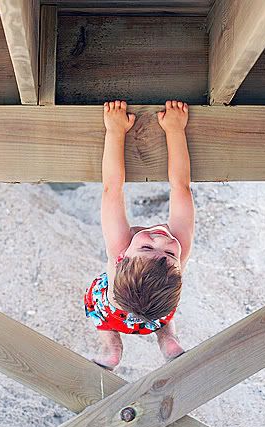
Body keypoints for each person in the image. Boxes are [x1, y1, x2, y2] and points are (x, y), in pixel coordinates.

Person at [84, 99, 195, 370]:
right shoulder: (179, 247)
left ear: (121, 259)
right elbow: (180, 188)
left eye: (147, 248)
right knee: (162, 310)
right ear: (178, 269)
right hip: (156, 316)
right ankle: (167, 339)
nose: (162, 239)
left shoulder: (118, 247)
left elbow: (113, 188)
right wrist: (175, 130)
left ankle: (112, 348)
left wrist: (115, 131)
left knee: (97, 306)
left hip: (112, 312)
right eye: (170, 254)